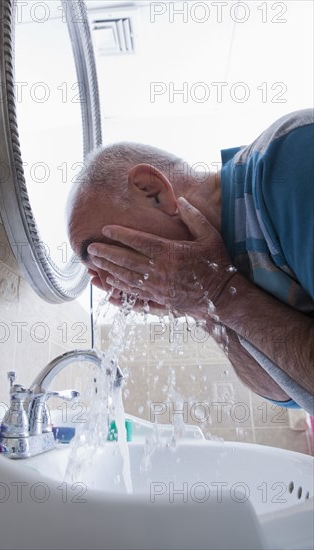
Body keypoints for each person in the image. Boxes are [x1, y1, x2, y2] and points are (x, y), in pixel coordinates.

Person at [67, 109, 314, 414]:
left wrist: (220, 292)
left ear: (153, 191)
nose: (117, 284)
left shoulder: (289, 162)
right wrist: (206, 310)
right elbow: (292, 391)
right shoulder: (229, 264)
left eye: (109, 256)